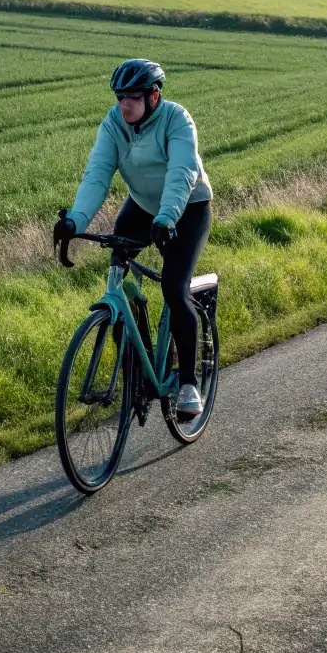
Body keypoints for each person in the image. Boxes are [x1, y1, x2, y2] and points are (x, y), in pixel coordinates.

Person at [53, 58, 213, 421]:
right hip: (142, 206)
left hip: (187, 208)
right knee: (116, 277)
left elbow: (182, 170)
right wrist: (75, 221)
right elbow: (97, 175)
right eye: (120, 96)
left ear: (154, 97)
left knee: (174, 288)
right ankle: (137, 372)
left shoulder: (176, 119)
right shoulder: (114, 124)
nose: (124, 104)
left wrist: (168, 217)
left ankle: (187, 383)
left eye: (133, 97)